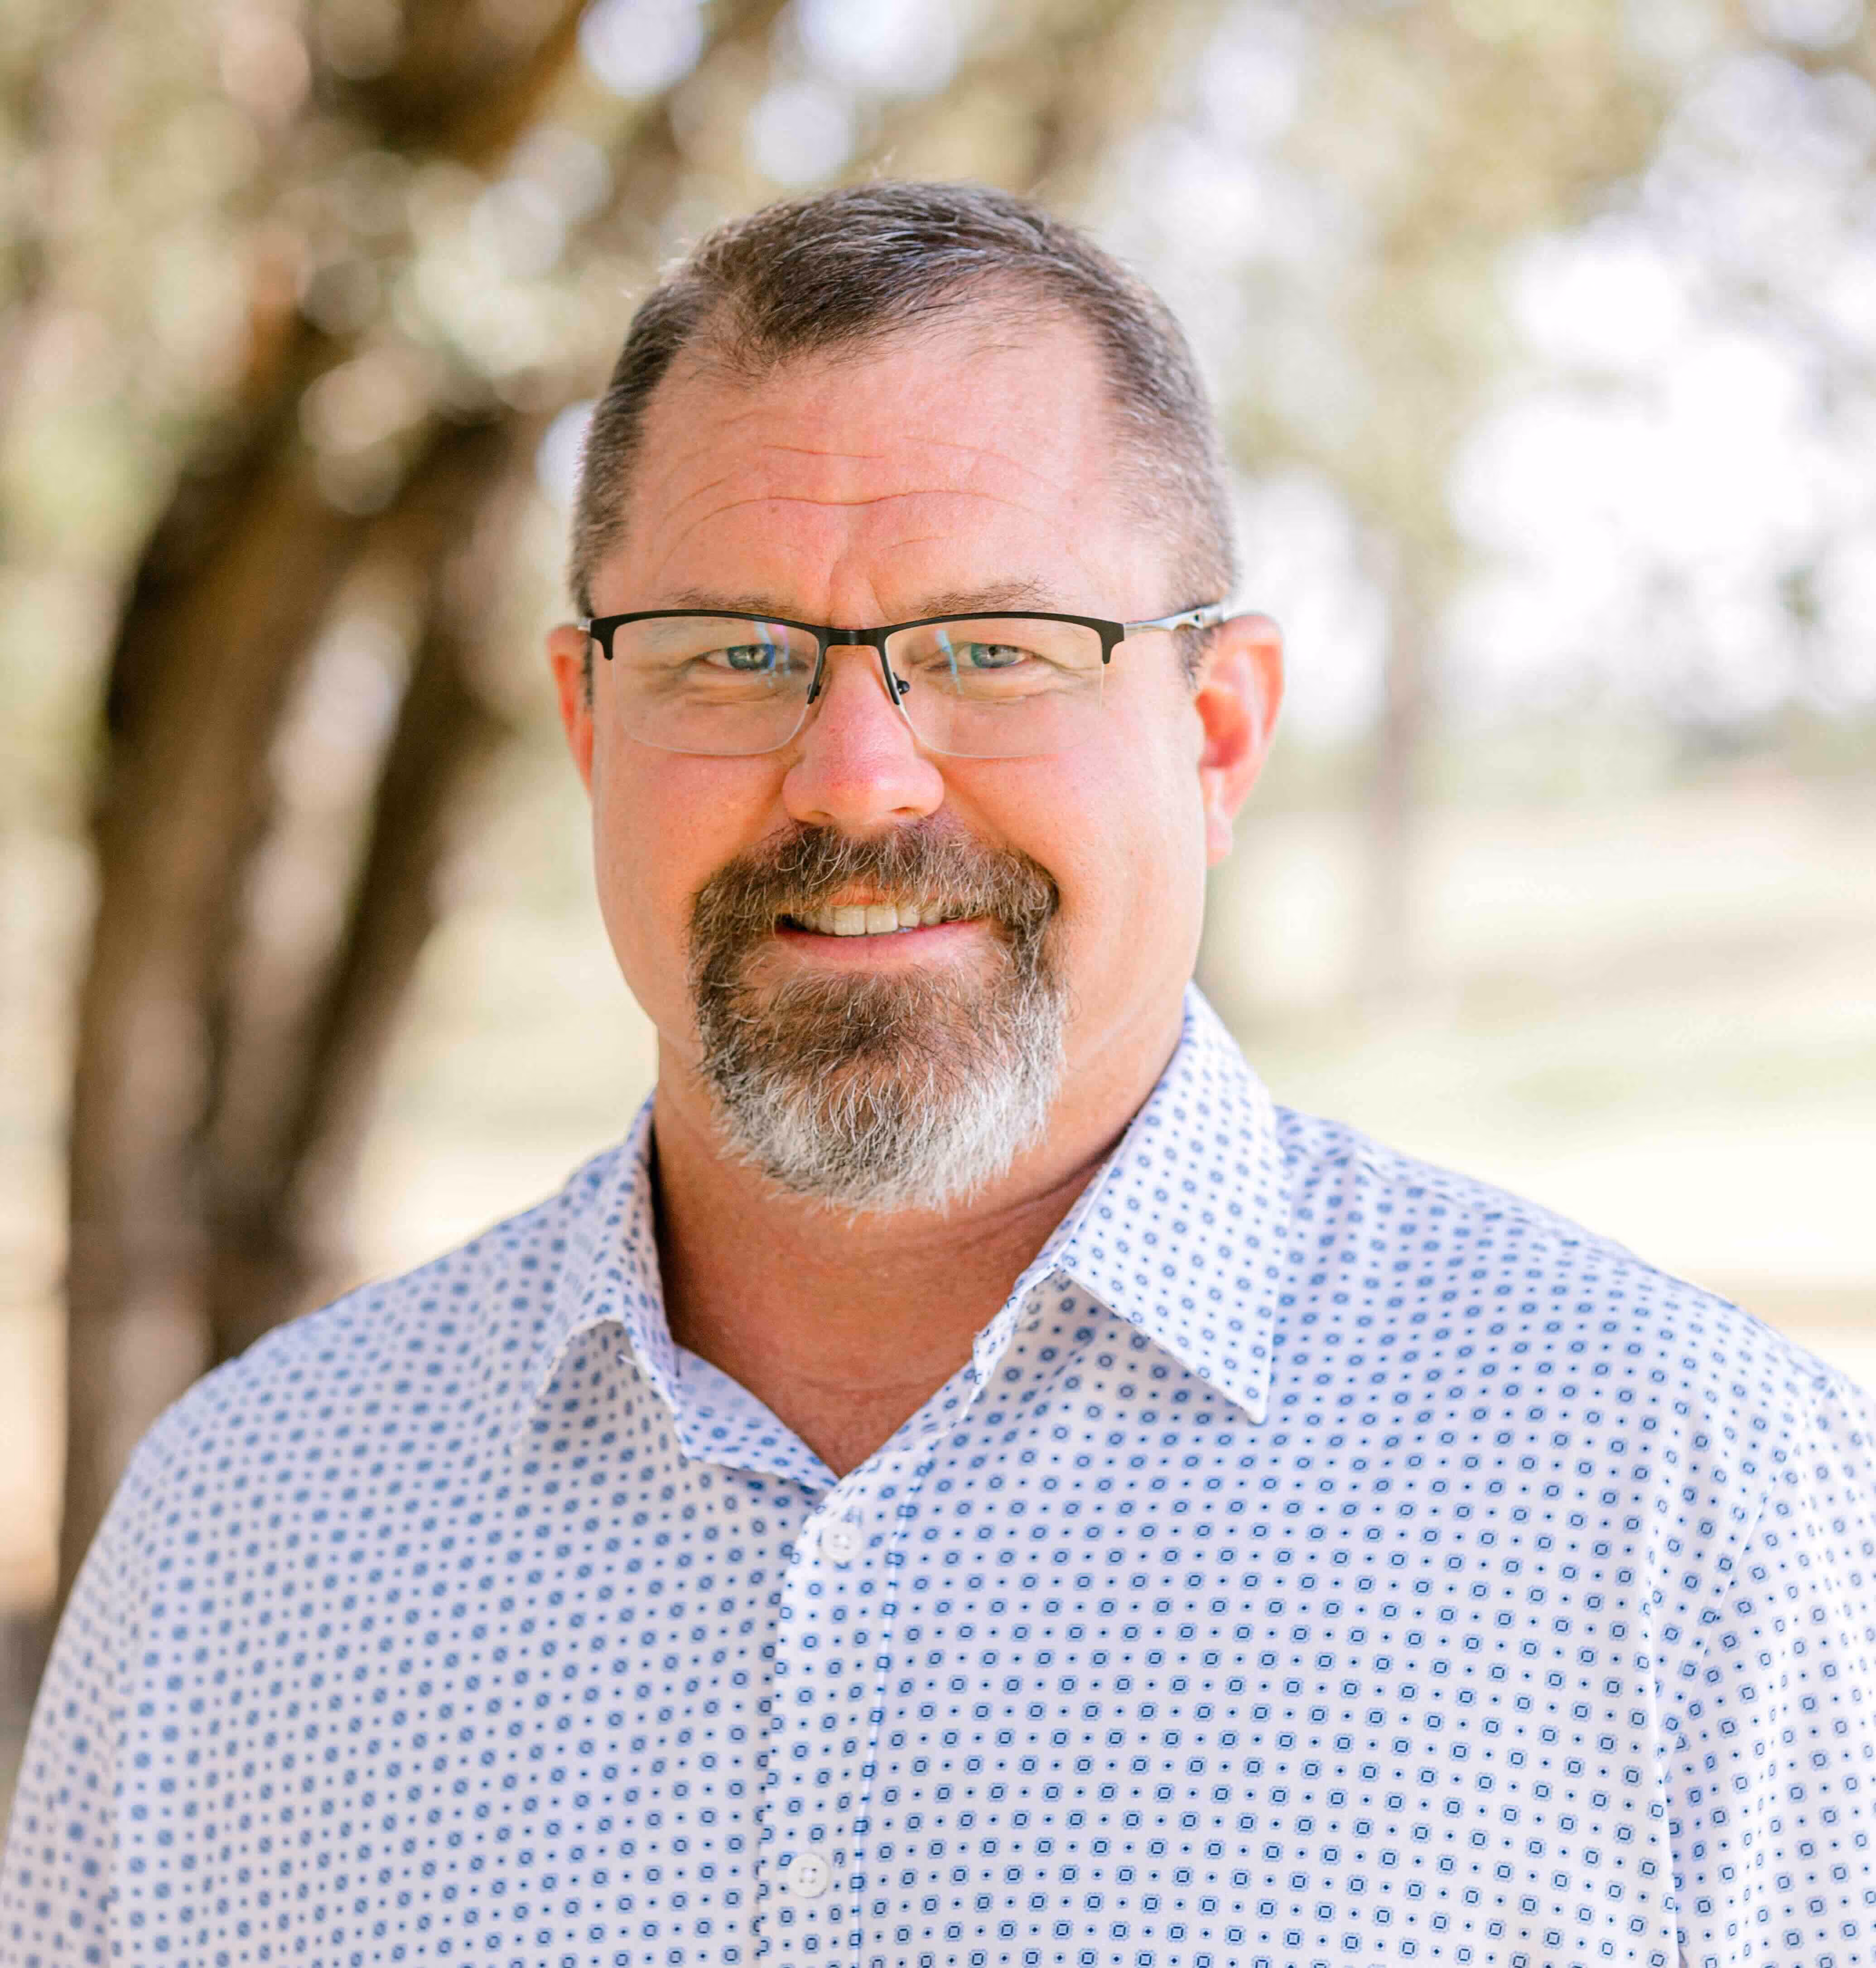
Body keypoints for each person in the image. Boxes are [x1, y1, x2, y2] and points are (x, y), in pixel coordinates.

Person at [4, 181, 1873, 1968]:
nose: (859, 777)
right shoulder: (243, 1537)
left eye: (993, 648)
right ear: (588, 723)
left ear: (1217, 735)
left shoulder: (1697, 1513)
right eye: (735, 655)